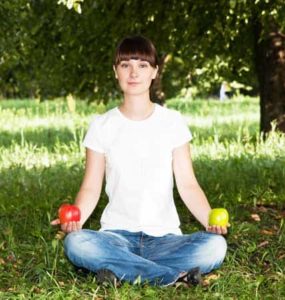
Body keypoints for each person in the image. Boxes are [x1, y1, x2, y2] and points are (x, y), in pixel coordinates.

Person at [51, 35, 227, 287]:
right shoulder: (102, 126)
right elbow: (91, 186)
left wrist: (210, 220)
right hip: (115, 237)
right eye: (126, 65)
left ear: (154, 72)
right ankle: (172, 276)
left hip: (166, 239)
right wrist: (74, 221)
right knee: (77, 243)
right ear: (115, 71)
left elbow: (188, 184)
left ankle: (122, 270)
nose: (134, 72)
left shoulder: (172, 122)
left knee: (215, 247)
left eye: (142, 65)